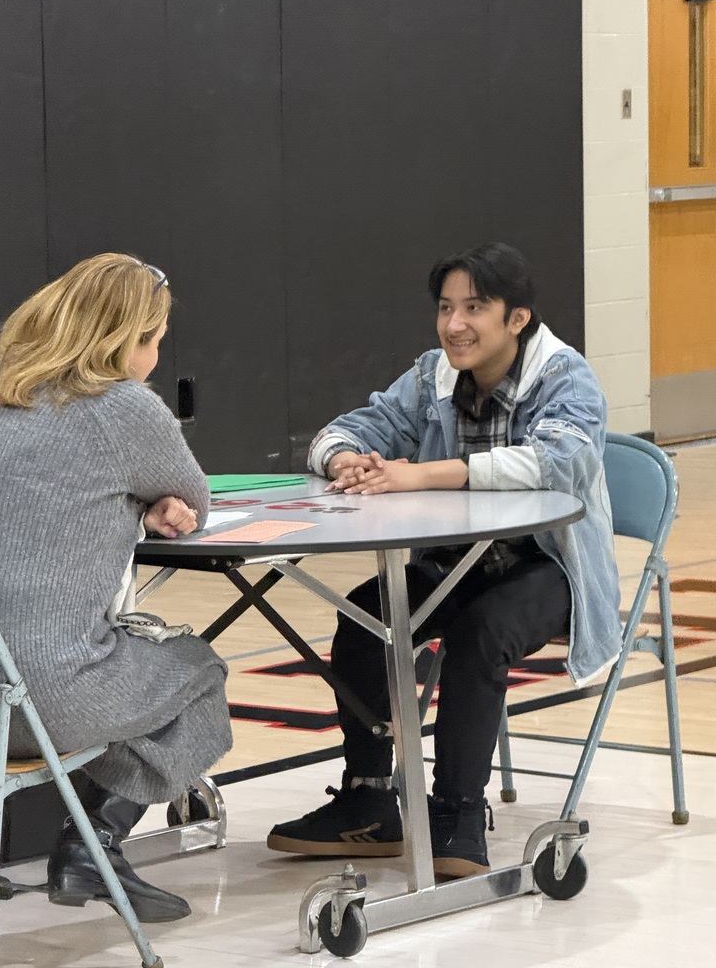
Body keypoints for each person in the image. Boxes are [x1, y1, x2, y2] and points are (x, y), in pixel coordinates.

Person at [267, 241, 622, 878]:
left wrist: (426, 473)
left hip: (550, 570)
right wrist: (348, 460)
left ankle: (457, 812)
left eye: (474, 308)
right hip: (456, 565)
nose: (454, 324)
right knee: (365, 619)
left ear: (517, 318)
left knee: (481, 632)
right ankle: (369, 802)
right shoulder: (433, 375)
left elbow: (561, 462)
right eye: (445, 308)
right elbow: (345, 430)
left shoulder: (565, 376)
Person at [0, 253, 232, 921]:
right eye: (154, 341)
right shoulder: (124, 406)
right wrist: (156, 502)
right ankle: (91, 846)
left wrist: (133, 504)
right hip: (47, 696)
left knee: (121, 683)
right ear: (128, 339)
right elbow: (195, 501)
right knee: (196, 673)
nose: (155, 359)